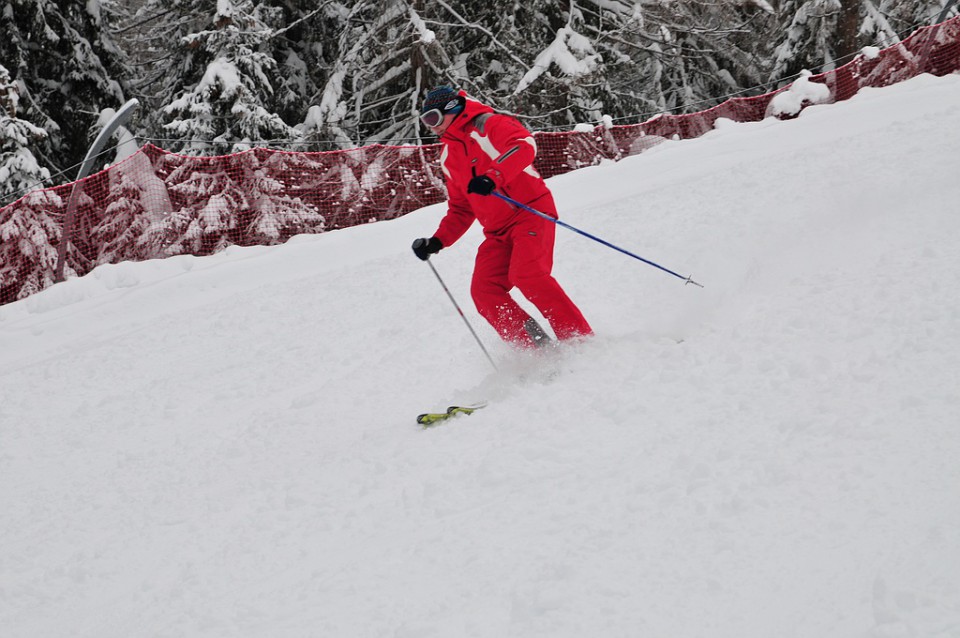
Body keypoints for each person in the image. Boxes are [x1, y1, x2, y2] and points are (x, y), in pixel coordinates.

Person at [411, 86, 592, 348]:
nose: (432, 127)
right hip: (497, 232)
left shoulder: (488, 125)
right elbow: (461, 208)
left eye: (434, 119)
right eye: (426, 122)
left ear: (452, 110)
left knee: (528, 275)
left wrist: (493, 176)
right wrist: (437, 241)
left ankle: (580, 340)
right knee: (484, 291)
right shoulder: (449, 156)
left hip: (530, 212)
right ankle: (537, 349)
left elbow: (524, 145)